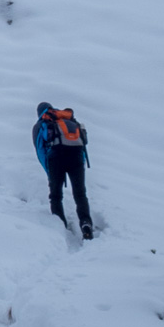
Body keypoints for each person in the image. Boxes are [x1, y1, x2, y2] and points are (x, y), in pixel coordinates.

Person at [33, 102, 93, 240]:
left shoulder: (41, 124)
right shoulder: (68, 120)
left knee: (55, 195)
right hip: (76, 157)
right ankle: (86, 223)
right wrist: (80, 163)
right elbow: (82, 145)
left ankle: (59, 226)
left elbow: (40, 150)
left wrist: (49, 172)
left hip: (56, 158)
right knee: (80, 194)